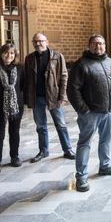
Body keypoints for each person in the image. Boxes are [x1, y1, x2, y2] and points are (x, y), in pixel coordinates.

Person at [67, 34, 111, 193]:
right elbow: (72, 89)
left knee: (106, 139)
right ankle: (81, 176)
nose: (99, 47)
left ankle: (105, 166)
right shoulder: (81, 65)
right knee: (85, 143)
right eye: (95, 44)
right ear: (89, 46)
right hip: (90, 112)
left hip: (108, 110)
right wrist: (83, 108)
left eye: (102, 44)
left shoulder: (110, 62)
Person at [24, 32, 75, 163]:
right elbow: (27, 79)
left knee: (61, 125)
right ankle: (43, 150)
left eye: (40, 41)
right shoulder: (29, 58)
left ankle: (67, 149)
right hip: (37, 97)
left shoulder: (57, 57)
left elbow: (64, 76)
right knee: (41, 126)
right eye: (35, 41)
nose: (38, 43)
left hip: (54, 96)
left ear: (46, 42)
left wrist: (62, 96)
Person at [0, 44, 24, 175]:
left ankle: (14, 157)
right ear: (1, 54)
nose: (9, 56)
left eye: (12, 53)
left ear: (15, 56)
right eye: (6, 53)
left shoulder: (19, 69)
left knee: (14, 132)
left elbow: (23, 86)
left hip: (16, 107)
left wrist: (16, 100)